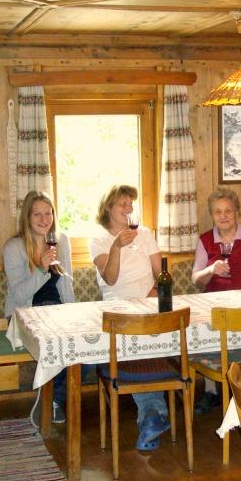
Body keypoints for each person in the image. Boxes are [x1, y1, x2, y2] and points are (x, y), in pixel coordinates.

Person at [89, 185, 171, 451]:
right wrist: (116, 246)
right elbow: (110, 279)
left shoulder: (144, 233)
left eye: (130, 204)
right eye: (122, 204)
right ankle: (154, 414)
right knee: (140, 348)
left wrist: (153, 293)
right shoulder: (99, 239)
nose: (128, 209)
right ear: (108, 207)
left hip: (149, 305)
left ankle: (152, 418)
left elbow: (162, 274)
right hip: (119, 311)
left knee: (151, 345)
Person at [190, 188, 241, 413]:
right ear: (212, 215)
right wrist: (210, 269)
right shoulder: (205, 240)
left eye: (228, 210)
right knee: (208, 336)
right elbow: (196, 280)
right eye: (218, 212)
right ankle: (212, 391)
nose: (223, 216)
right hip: (215, 305)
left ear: (237, 211)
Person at [3, 190, 75, 424]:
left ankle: (52, 399)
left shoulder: (61, 240)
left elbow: (66, 283)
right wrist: (42, 270)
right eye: (37, 214)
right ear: (27, 217)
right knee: (55, 343)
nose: (44, 220)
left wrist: (73, 313)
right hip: (24, 313)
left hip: (56, 310)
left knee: (82, 351)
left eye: (48, 213)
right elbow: (18, 295)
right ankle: (51, 402)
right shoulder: (14, 247)